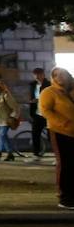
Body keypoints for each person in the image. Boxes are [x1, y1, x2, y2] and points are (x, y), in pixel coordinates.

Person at [38, 67, 74, 210]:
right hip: (60, 132)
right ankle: (65, 196)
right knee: (65, 164)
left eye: (62, 74)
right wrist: (64, 123)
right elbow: (45, 110)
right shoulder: (49, 92)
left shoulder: (71, 92)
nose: (60, 77)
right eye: (56, 75)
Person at [0, 75, 21, 162]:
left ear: (0, 87)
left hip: (6, 120)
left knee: (1, 135)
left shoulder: (6, 95)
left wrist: (13, 117)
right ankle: (10, 154)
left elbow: (15, 107)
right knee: (4, 137)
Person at [30, 68, 51, 157]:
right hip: (37, 113)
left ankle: (57, 154)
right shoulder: (33, 85)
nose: (37, 77)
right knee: (35, 134)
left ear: (43, 75)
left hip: (48, 114)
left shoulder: (49, 84)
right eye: (35, 75)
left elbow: (50, 97)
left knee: (51, 136)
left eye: (39, 75)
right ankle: (36, 153)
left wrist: (38, 100)